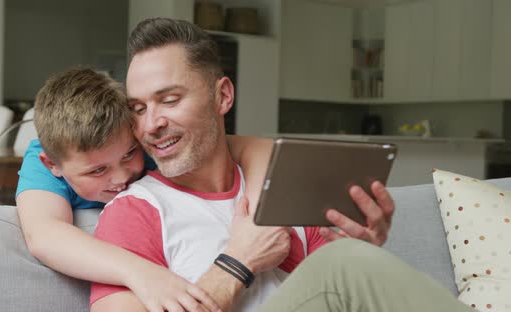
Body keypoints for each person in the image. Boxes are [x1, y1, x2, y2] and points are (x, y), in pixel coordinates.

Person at [89, 17, 473, 312]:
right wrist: (238, 262)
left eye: (169, 100)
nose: (150, 124)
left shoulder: (285, 185)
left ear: (222, 96)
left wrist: (367, 250)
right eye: (137, 108)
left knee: (348, 258)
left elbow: (340, 287)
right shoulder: (134, 212)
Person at [15, 67, 273, 312]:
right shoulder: (50, 157)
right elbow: (44, 234)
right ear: (52, 165)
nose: (122, 177)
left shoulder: (148, 144)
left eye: (129, 154)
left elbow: (257, 147)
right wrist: (142, 273)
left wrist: (256, 217)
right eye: (97, 170)